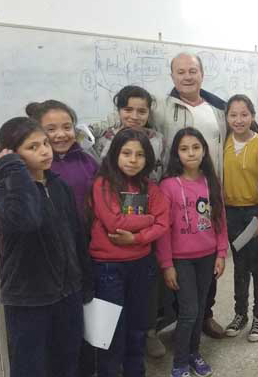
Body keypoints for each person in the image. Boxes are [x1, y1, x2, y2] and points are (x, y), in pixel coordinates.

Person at [0, 117, 93, 377]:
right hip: (28, 297)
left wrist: (85, 281)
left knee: (68, 359)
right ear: (12, 154)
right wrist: (13, 170)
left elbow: (77, 236)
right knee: (30, 365)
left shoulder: (59, 186)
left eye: (44, 143)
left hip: (68, 291)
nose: (45, 150)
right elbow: (26, 219)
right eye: (32, 147)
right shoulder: (3, 191)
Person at [154, 52, 228, 339]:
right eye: (181, 71)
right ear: (172, 76)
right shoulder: (160, 107)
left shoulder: (217, 110)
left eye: (192, 71)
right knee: (176, 262)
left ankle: (205, 315)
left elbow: (240, 133)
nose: (187, 76)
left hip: (210, 194)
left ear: (202, 74)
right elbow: (127, 115)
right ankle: (179, 318)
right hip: (174, 196)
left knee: (208, 260)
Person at [88, 127, 170, 377]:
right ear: (115, 155)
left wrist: (136, 236)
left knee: (137, 328)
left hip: (141, 265)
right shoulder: (103, 184)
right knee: (109, 332)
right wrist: (148, 220)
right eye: (126, 153)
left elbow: (163, 223)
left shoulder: (151, 188)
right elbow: (113, 222)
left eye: (139, 155)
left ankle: (136, 372)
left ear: (148, 159)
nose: (133, 160)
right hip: (107, 267)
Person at [156, 127, 228, 377]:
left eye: (196, 147)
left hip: (207, 257)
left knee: (199, 309)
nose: (191, 153)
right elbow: (163, 230)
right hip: (181, 260)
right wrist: (167, 264)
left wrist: (221, 253)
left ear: (204, 150)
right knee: (188, 311)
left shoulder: (211, 181)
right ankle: (180, 361)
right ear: (176, 153)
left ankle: (194, 353)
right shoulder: (167, 186)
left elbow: (220, 219)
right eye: (184, 149)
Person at [222, 94, 258, 341]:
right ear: (227, 118)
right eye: (233, 115)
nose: (239, 120)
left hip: (255, 213)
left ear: (252, 116)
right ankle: (240, 314)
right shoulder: (222, 143)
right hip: (231, 214)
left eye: (244, 114)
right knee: (239, 265)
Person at [26, 100, 98, 215]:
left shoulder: (88, 161)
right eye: (51, 129)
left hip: (90, 230)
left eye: (67, 127)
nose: (61, 134)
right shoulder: (33, 167)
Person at [91, 85, 165, 181]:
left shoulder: (158, 140)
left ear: (148, 113)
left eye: (142, 112)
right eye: (128, 110)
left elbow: (163, 173)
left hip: (150, 193)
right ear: (118, 111)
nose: (134, 116)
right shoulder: (105, 139)